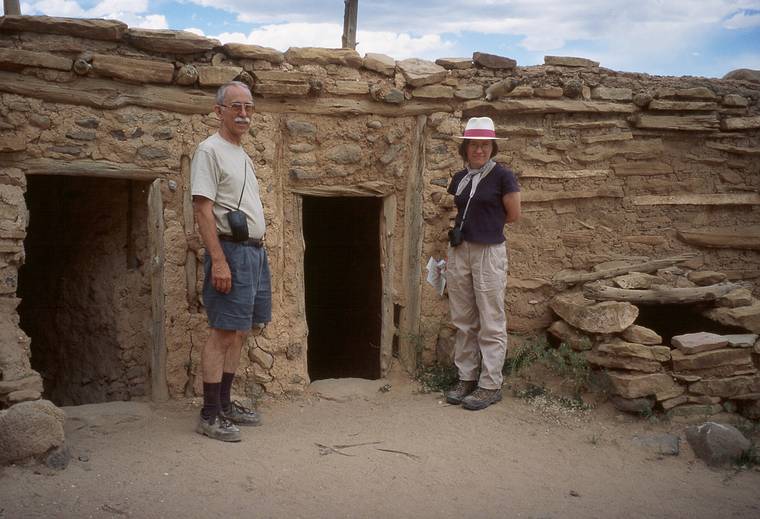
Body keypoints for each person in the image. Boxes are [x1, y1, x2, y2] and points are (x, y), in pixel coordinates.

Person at [191, 81, 272, 441]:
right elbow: (203, 208)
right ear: (218, 111)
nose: (243, 114)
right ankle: (209, 414)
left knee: (239, 331)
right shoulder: (209, 150)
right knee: (222, 331)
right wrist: (219, 261)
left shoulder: (241, 153)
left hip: (253, 252)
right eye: (236, 107)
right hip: (232, 252)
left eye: (248, 108)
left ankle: (224, 404)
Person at [444, 116, 521, 411]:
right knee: (463, 318)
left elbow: (513, 215)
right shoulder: (459, 177)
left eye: (485, 145)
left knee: (490, 318)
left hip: (488, 251)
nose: (480, 150)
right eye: (475, 145)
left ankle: (490, 384)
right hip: (461, 250)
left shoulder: (503, 176)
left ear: (492, 147)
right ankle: (466, 377)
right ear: (466, 148)